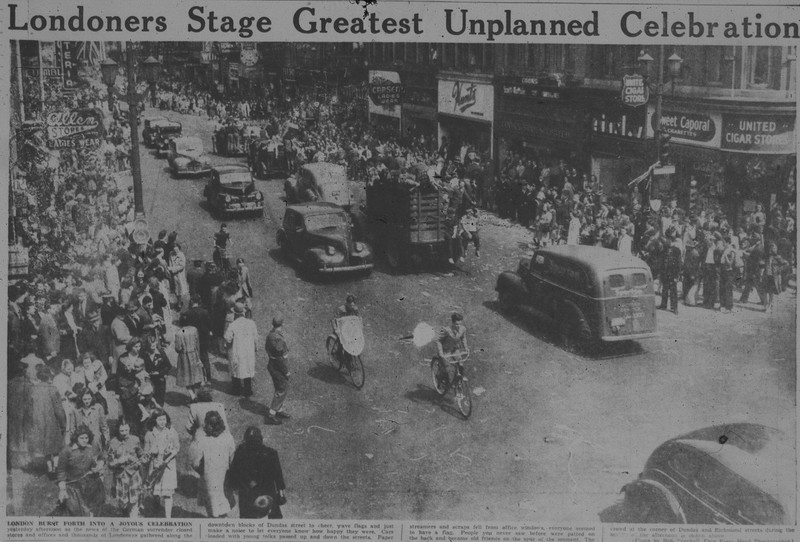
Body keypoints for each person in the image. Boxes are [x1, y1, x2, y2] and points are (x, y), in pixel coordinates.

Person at [228, 426, 287, 519]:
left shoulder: (240, 453)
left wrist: (244, 483)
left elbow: (234, 473)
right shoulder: (271, 453)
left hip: (248, 493)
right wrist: (281, 491)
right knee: (273, 517)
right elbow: (278, 475)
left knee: (248, 518)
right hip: (267, 492)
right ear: (261, 439)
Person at [190, 411, 236, 518]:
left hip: (208, 476)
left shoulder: (201, 439)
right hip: (224, 475)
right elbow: (232, 457)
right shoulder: (228, 437)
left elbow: (195, 461)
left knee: (211, 504)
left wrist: (200, 471)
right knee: (223, 501)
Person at [56, 425, 106, 517]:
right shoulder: (67, 451)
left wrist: (99, 465)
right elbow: (61, 471)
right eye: (81, 438)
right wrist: (62, 489)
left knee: (93, 511)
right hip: (73, 486)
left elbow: (101, 457)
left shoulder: (92, 446)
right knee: (77, 513)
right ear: (76, 438)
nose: (84, 440)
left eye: (86, 438)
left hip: (92, 484)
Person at [30, 364, 67, 475]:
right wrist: (63, 423)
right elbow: (58, 409)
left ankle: (49, 467)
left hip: (38, 422)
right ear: (48, 376)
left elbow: (30, 407)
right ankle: (55, 467)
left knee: (45, 446)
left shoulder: (33, 389)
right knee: (55, 447)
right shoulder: (52, 389)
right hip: (52, 422)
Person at [143, 409, 180, 518]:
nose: (162, 422)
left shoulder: (172, 432)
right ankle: (156, 509)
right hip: (155, 466)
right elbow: (146, 452)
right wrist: (151, 452)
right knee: (156, 492)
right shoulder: (149, 434)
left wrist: (168, 457)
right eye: (160, 420)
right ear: (154, 421)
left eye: (164, 419)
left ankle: (168, 518)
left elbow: (177, 448)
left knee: (168, 494)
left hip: (168, 466)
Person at [107, 421, 145, 517]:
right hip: (120, 475)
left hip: (133, 474)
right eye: (121, 430)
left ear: (130, 429)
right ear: (117, 430)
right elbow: (110, 463)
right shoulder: (113, 442)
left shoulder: (135, 439)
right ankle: (124, 514)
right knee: (123, 503)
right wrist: (119, 461)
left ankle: (134, 518)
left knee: (134, 500)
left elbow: (141, 455)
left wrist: (139, 460)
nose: (124, 433)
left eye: (126, 430)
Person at [224, 302, 259, 397]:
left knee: (237, 370)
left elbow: (228, 338)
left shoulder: (233, 325)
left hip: (237, 350)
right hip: (248, 351)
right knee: (247, 368)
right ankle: (248, 390)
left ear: (235, 313)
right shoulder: (251, 323)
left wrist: (227, 346)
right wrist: (256, 348)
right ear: (243, 312)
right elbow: (256, 338)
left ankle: (237, 389)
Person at [264, 315, 290, 425]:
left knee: (279, 388)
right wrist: (286, 371)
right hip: (278, 367)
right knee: (281, 389)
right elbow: (280, 358)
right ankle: (272, 414)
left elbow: (267, 348)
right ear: (282, 324)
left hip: (272, 364)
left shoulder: (270, 334)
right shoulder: (278, 338)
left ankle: (278, 410)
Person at [174, 315, 206, 400]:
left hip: (184, 357)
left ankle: (192, 395)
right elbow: (197, 343)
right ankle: (196, 393)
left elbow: (178, 348)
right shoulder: (194, 330)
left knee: (186, 377)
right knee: (197, 376)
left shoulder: (179, 333)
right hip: (194, 354)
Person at [183, 295, 213, 381]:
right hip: (204, 338)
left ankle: (197, 377)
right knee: (205, 357)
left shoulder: (188, 313)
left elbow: (184, 326)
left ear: (191, 302)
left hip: (192, 338)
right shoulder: (205, 312)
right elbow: (209, 324)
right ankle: (208, 377)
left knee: (194, 357)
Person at [660, 232, 683, 314]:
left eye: (669, 240)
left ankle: (674, 307)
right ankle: (663, 304)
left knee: (673, 291)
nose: (667, 241)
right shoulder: (664, 249)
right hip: (665, 272)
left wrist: (677, 275)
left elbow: (679, 264)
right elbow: (662, 261)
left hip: (673, 273)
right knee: (665, 289)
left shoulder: (677, 251)